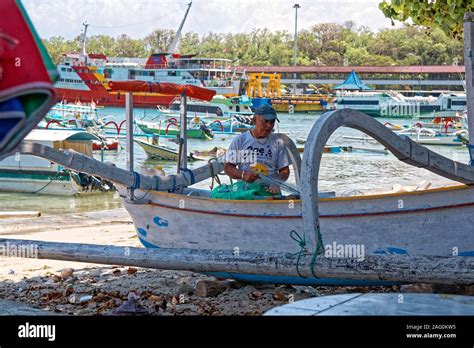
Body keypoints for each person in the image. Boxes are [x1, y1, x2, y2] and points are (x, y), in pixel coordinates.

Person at [224, 105, 290, 194]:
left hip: (271, 191)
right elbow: (228, 167)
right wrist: (243, 174)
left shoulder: (278, 143)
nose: (269, 126)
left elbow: (284, 171)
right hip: (245, 192)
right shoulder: (240, 140)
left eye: (272, 122)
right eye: (265, 121)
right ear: (255, 120)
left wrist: (276, 183)